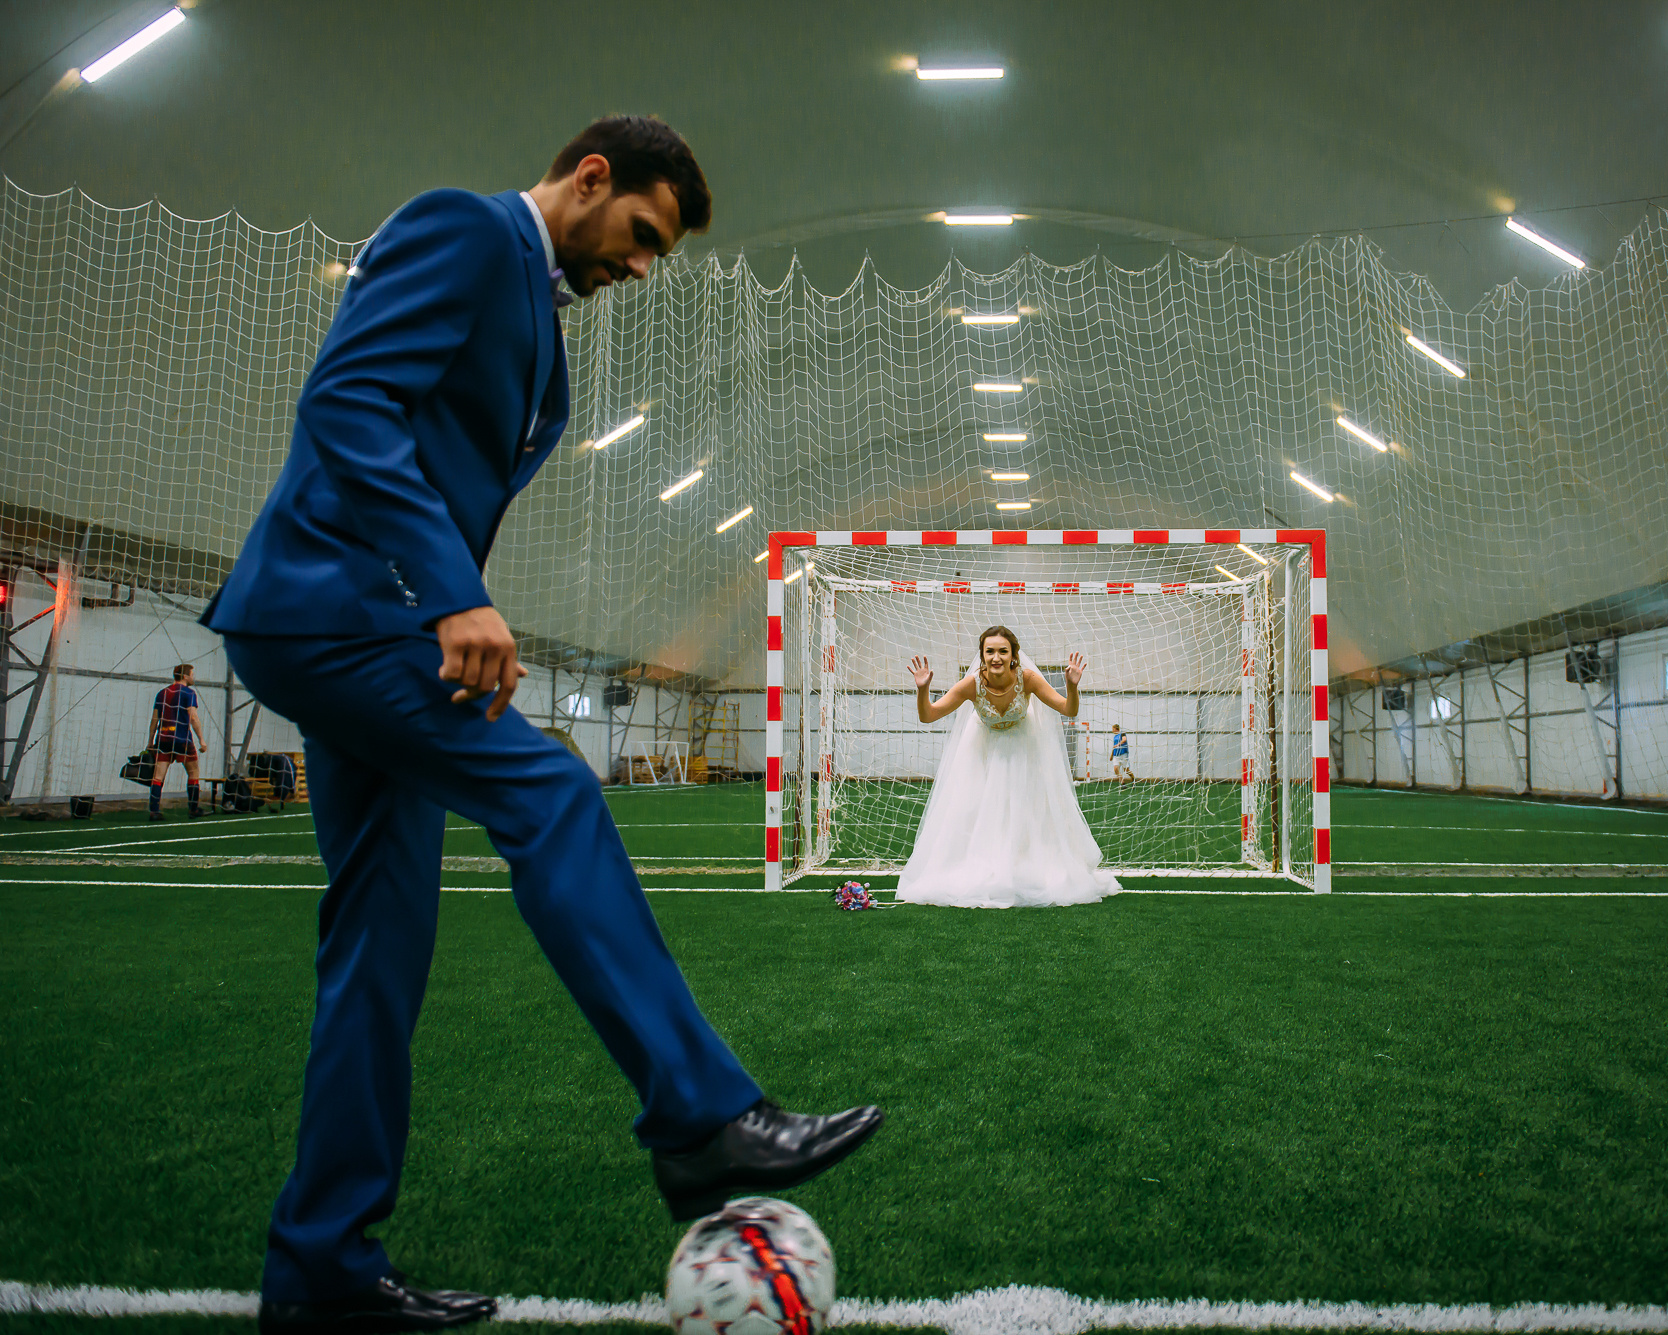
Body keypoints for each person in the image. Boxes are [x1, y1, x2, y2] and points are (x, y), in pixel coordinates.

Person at [199, 117, 880, 1335]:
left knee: (377, 955)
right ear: (591, 178)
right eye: (641, 237)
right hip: (338, 615)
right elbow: (347, 402)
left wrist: (448, 608)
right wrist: (454, 595)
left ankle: (320, 1273)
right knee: (552, 793)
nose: (641, 267)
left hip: (378, 632)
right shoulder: (463, 228)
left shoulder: (539, 308)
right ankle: (697, 1118)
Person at [899, 626, 1121, 908]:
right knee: (978, 812)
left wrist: (1072, 687)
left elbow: (1068, 709)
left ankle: (1023, 869)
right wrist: (923, 690)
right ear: (981, 655)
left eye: (1003, 651)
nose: (996, 657)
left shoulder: (1027, 679)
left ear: (1014, 655)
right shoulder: (971, 684)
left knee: (1025, 814)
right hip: (982, 755)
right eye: (989, 651)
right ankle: (985, 870)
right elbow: (928, 716)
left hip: (1024, 753)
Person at [148, 662, 207, 821]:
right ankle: (193, 809)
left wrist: (150, 741)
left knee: (158, 776)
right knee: (193, 772)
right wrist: (202, 740)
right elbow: (193, 717)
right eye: (193, 674)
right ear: (186, 676)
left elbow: (155, 719)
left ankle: (154, 811)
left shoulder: (162, 693)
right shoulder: (189, 693)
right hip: (182, 739)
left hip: (164, 739)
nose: (194, 677)